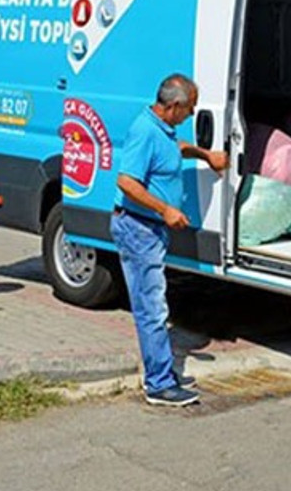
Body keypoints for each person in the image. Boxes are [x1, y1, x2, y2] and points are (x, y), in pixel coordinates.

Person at [113, 74, 228, 407]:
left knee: (155, 304)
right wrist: (165, 209)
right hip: (139, 229)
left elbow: (174, 149)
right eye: (189, 109)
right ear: (174, 105)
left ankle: (163, 373)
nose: (191, 115)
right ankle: (159, 385)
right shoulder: (144, 131)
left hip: (149, 229)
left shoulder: (161, 129)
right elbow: (126, 182)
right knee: (152, 308)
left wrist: (205, 155)